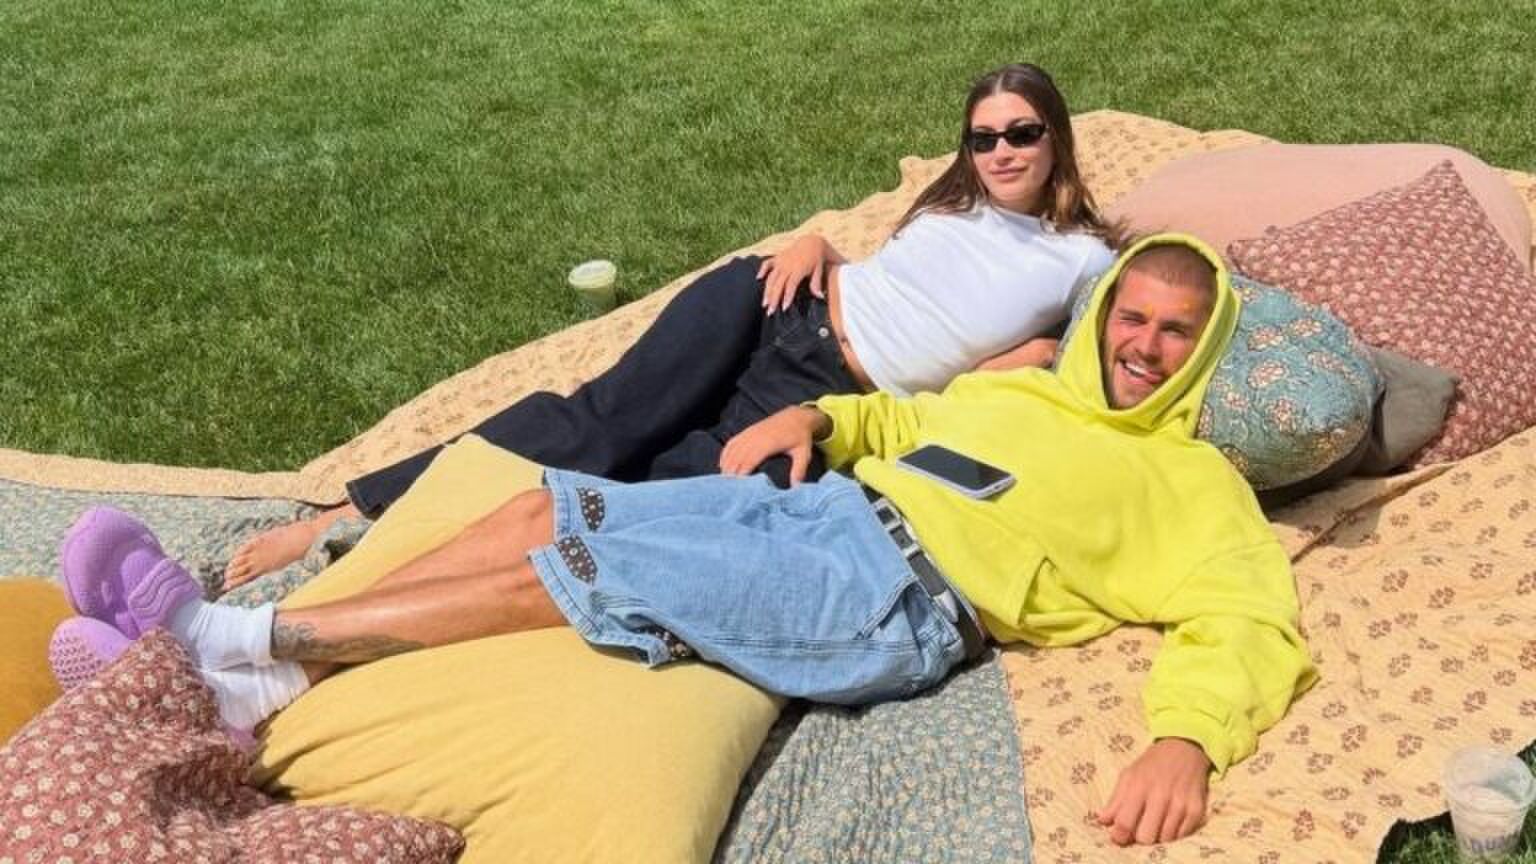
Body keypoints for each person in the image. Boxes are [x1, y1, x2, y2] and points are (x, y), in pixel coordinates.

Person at [53, 235, 1316, 847]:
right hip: (817, 511)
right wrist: (820, 412)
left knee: (598, 565)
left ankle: (237, 640)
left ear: (1198, 351)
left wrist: (1183, 740)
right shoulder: (1031, 387)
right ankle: (260, 671)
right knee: (539, 505)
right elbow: (908, 416)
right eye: (1130, 317)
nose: (1138, 343)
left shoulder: (1193, 482)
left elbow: (1248, 620)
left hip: (895, 590)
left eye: (1168, 333)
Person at [221, 61, 1119, 590]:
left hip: (829, 395)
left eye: (1022, 133)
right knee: (599, 424)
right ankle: (354, 513)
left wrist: (1031, 356)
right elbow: (891, 280)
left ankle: (425, 560)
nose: (1000, 152)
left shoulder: (1081, 259)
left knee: (664, 487)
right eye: (982, 137)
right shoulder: (950, 199)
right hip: (772, 306)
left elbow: (1101, 351)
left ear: (1056, 138)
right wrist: (817, 242)